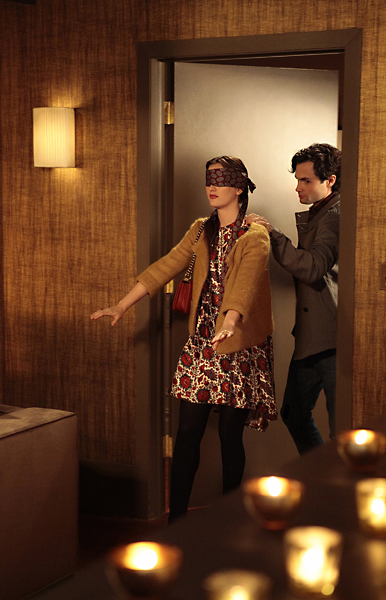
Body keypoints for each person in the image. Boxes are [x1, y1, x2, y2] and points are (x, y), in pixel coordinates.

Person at [91, 156, 277, 522]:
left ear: (239, 187)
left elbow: (245, 284)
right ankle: (176, 520)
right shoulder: (200, 229)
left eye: (221, 179)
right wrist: (122, 305)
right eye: (209, 178)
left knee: (230, 437)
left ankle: (229, 519)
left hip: (238, 347)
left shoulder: (255, 235)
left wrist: (231, 321)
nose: (212, 185)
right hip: (203, 346)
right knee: (187, 431)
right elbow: (166, 265)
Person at [248, 143, 341, 455]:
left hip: (332, 337)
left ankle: (336, 485)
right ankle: (322, 478)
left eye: (306, 181)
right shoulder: (321, 212)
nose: (298, 188)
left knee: (342, 428)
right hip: (313, 337)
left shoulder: (334, 215)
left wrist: (274, 235)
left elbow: (313, 268)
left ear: (330, 180)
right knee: (293, 413)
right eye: (298, 179)